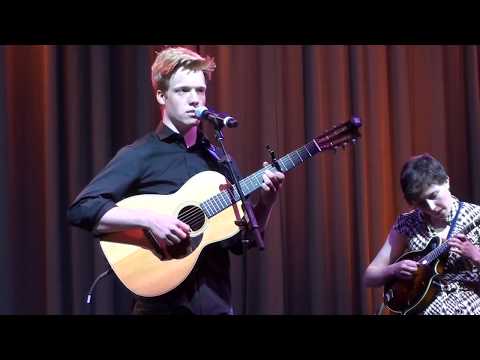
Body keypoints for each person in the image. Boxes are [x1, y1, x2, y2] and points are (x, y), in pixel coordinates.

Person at [67, 47, 285, 315]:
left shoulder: (220, 161)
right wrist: (150, 220)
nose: (195, 99)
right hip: (160, 308)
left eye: (200, 90)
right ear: (161, 95)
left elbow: (244, 241)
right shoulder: (140, 154)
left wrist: (266, 203)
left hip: (216, 305)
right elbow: (82, 208)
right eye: (183, 91)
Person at [364, 153, 480, 315]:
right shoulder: (407, 223)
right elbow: (369, 276)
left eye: (433, 196)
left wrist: (476, 256)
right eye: (421, 203)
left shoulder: (476, 216)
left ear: (446, 181)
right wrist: (394, 270)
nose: (431, 207)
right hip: (420, 309)